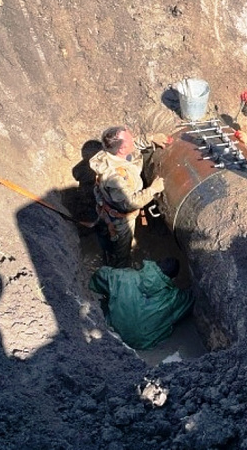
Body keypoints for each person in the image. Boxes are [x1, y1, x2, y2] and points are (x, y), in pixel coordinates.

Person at [89, 126, 170, 268]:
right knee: (122, 250)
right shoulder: (115, 178)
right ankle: (119, 272)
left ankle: (107, 243)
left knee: (107, 234)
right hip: (120, 219)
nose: (134, 140)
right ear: (121, 149)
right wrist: (153, 189)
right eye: (130, 140)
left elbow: (134, 144)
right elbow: (130, 203)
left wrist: (150, 138)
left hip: (107, 207)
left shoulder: (111, 154)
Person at [89, 257, 194, 350]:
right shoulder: (174, 298)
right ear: (172, 279)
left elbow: (100, 274)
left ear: (155, 265)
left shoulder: (123, 276)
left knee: (108, 300)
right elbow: (191, 299)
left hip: (113, 329)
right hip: (143, 343)